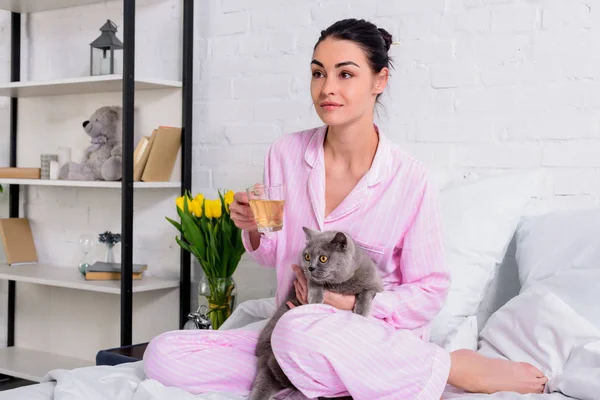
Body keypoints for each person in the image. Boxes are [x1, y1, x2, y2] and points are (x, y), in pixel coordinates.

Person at [144, 18, 548, 399]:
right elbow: (275, 255)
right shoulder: (285, 154)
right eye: (318, 73)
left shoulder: (409, 179)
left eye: (345, 74)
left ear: (380, 80)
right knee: (164, 355)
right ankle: (331, 380)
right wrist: (252, 227)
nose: (326, 88)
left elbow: (429, 290)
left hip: (363, 335)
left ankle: (447, 366)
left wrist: (350, 304)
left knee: (297, 335)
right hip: (291, 323)